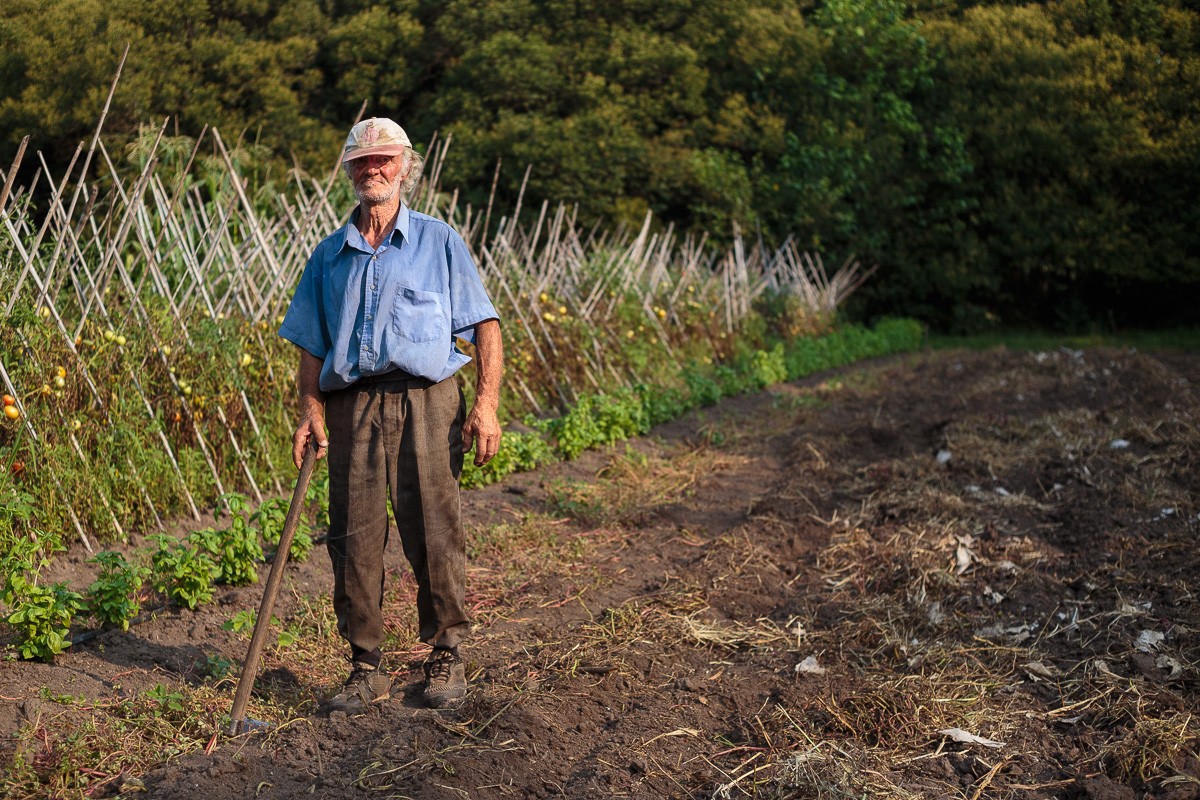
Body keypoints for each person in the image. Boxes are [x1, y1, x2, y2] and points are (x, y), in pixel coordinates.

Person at [278, 117, 503, 713]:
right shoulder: (330, 256)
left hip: (428, 401)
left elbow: (484, 326)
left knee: (434, 524)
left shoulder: (438, 241)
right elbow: (312, 345)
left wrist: (485, 405)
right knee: (353, 535)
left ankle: (447, 654)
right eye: (361, 161)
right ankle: (363, 665)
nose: (372, 169)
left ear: (406, 168)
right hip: (353, 405)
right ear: (349, 172)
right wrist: (309, 409)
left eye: (384, 159)